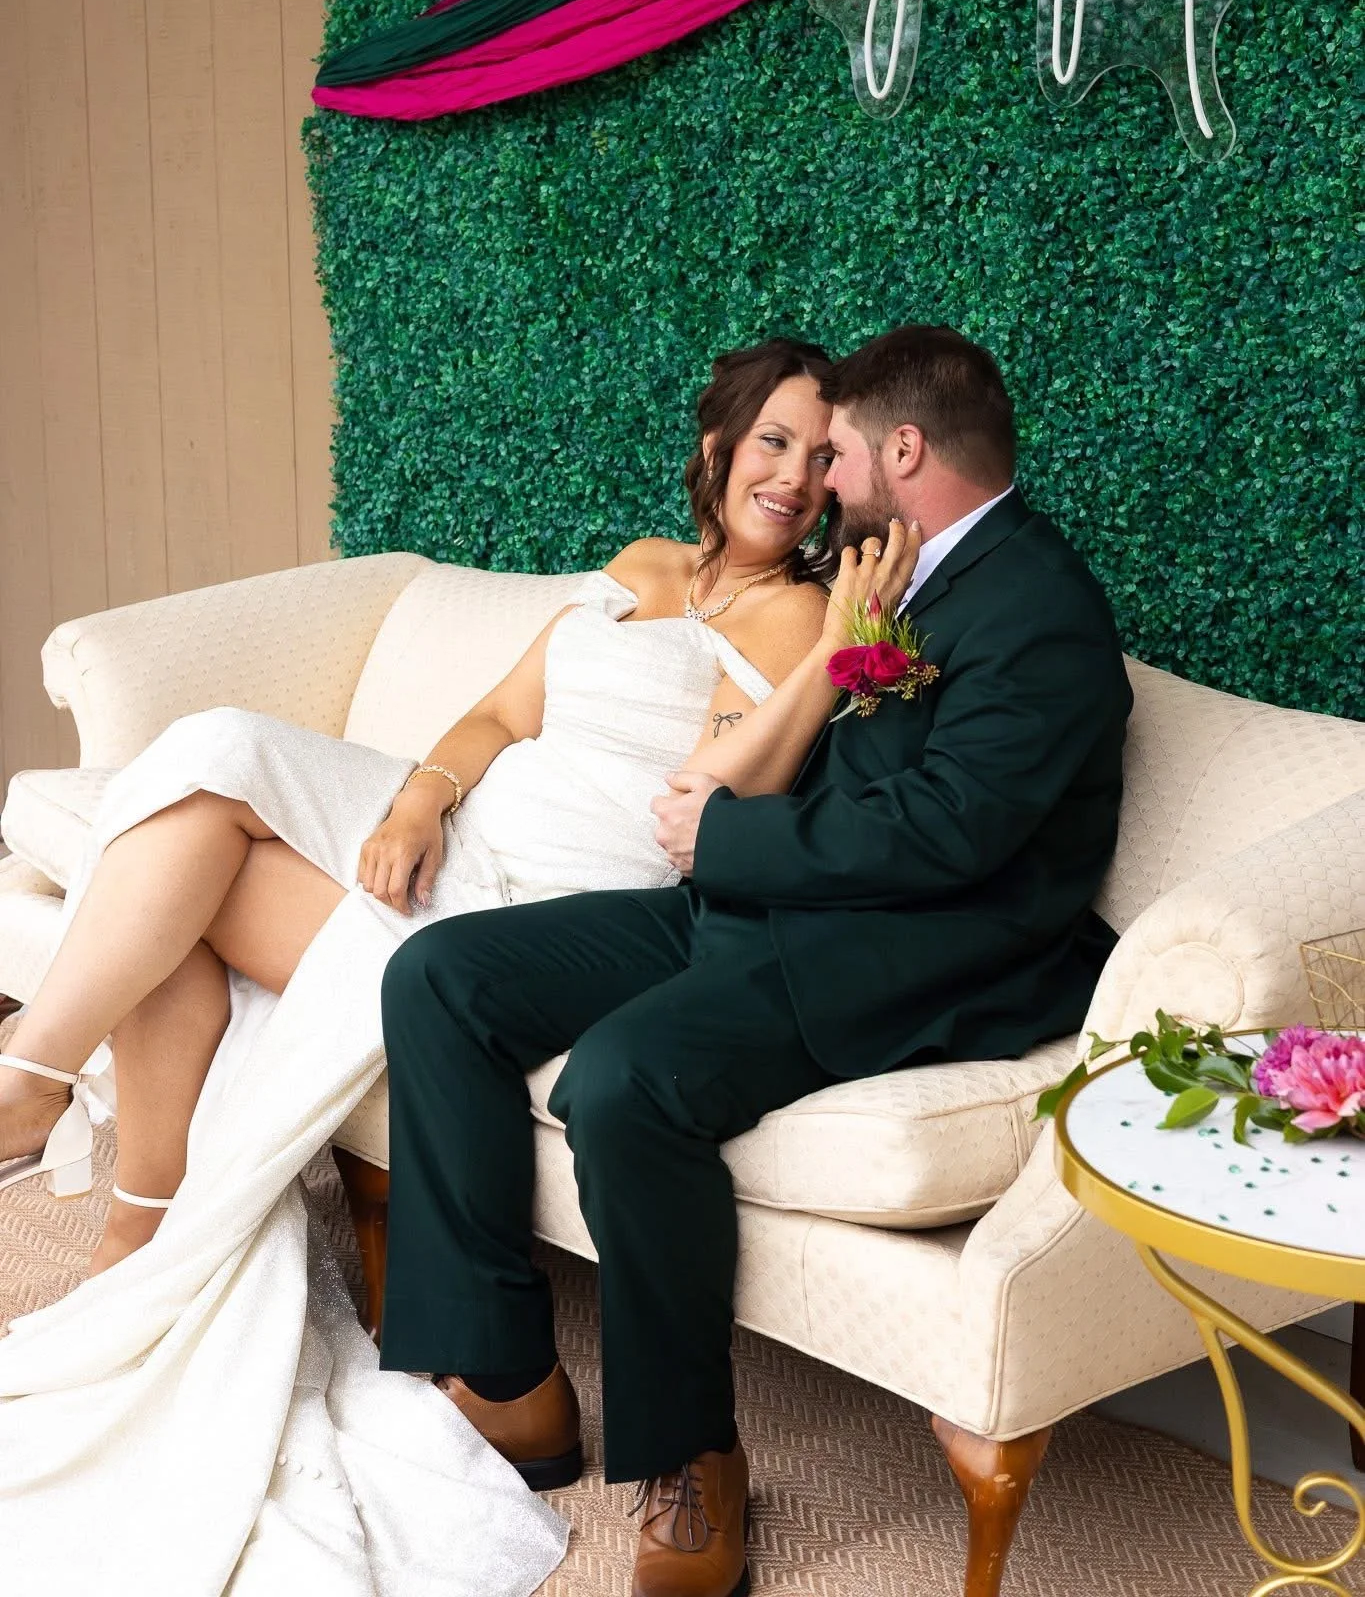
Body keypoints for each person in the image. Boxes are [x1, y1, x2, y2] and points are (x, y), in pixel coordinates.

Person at [0, 336, 841, 1597]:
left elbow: (727, 793)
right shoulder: (637, 569)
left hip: (546, 898)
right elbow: (502, 715)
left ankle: (84, 1144)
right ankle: (60, 1109)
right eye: (777, 439)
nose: (795, 474)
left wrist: (830, 662)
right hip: (456, 833)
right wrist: (420, 798)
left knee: (190, 868)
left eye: (824, 457)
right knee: (207, 759)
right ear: (721, 445)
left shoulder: (806, 616)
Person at [379, 322, 1134, 1597]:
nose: (821, 480)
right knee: (443, 974)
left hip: (906, 954)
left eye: (836, 451)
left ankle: (693, 1459)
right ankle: (510, 1377)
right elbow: (834, 735)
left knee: (625, 1079)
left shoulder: (1043, 609)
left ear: (902, 447)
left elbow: (950, 828)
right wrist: (742, 810)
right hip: (766, 902)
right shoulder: (891, 563)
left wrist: (732, 835)